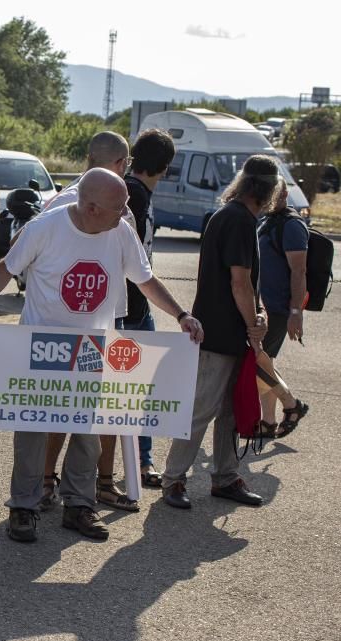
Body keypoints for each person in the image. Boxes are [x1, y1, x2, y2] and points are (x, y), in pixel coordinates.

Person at [0, 168, 203, 542]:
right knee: (32, 432)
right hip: (40, 348)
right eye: (119, 206)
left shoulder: (120, 232)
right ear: (91, 208)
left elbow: (145, 279)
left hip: (93, 350)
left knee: (87, 432)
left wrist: (181, 315)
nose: (127, 213)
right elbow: (3, 271)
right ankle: (23, 508)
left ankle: (79, 504)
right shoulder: (45, 228)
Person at [161, 155, 280, 510]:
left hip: (223, 331)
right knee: (204, 408)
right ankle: (174, 478)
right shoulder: (239, 221)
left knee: (230, 407)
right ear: (269, 190)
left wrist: (253, 319)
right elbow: (239, 282)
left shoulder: (229, 216)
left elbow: (243, 283)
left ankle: (225, 478)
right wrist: (253, 326)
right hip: (219, 333)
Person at [35, 131, 142, 513]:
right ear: (121, 164)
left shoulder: (62, 200)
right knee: (81, 408)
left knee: (86, 407)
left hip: (88, 322)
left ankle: (61, 483)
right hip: (87, 323)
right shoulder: (77, 205)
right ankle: (86, 484)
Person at [122, 129, 177, 487]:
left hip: (135, 305)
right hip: (131, 307)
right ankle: (136, 465)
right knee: (136, 391)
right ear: (165, 167)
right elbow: (132, 263)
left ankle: (140, 462)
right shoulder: (135, 196)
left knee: (137, 390)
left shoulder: (132, 190)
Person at [255, 180, 310, 439]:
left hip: (277, 308)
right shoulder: (267, 220)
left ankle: (291, 404)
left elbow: (299, 271)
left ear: (286, 193)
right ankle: (268, 422)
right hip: (262, 306)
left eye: (274, 193)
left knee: (257, 362)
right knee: (264, 363)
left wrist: (295, 312)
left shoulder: (292, 225)